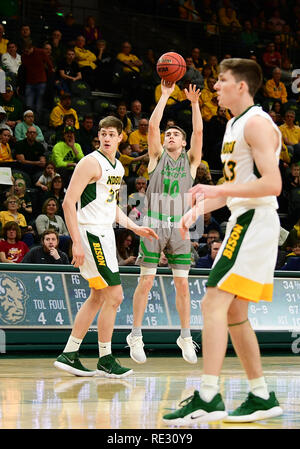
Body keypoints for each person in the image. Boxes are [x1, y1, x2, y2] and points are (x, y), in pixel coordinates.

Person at [165, 58, 283, 425]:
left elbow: (272, 184)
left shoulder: (258, 124)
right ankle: (261, 395)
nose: (214, 86)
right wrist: (197, 210)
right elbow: (236, 188)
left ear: (242, 86)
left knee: (212, 301)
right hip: (243, 219)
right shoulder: (234, 124)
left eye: (221, 80)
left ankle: (208, 395)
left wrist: (215, 189)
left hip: (254, 221)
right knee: (234, 313)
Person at [53, 115, 158, 378]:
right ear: (98, 136)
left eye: (112, 134)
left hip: (104, 234)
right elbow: (68, 204)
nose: (107, 138)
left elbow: (111, 207)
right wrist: (76, 241)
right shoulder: (90, 162)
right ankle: (106, 358)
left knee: (99, 296)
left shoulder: (119, 167)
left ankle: (69, 353)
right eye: (103, 133)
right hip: (89, 234)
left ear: (121, 137)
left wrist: (134, 227)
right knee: (115, 296)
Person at [126, 82, 203, 365]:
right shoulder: (156, 158)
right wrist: (166, 95)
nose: (170, 136)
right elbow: (153, 127)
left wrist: (195, 104)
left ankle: (185, 336)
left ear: (183, 143)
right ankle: (135, 334)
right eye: (168, 134)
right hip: (154, 223)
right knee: (146, 282)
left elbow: (199, 132)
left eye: (175, 134)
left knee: (182, 286)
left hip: (180, 227)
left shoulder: (191, 162)